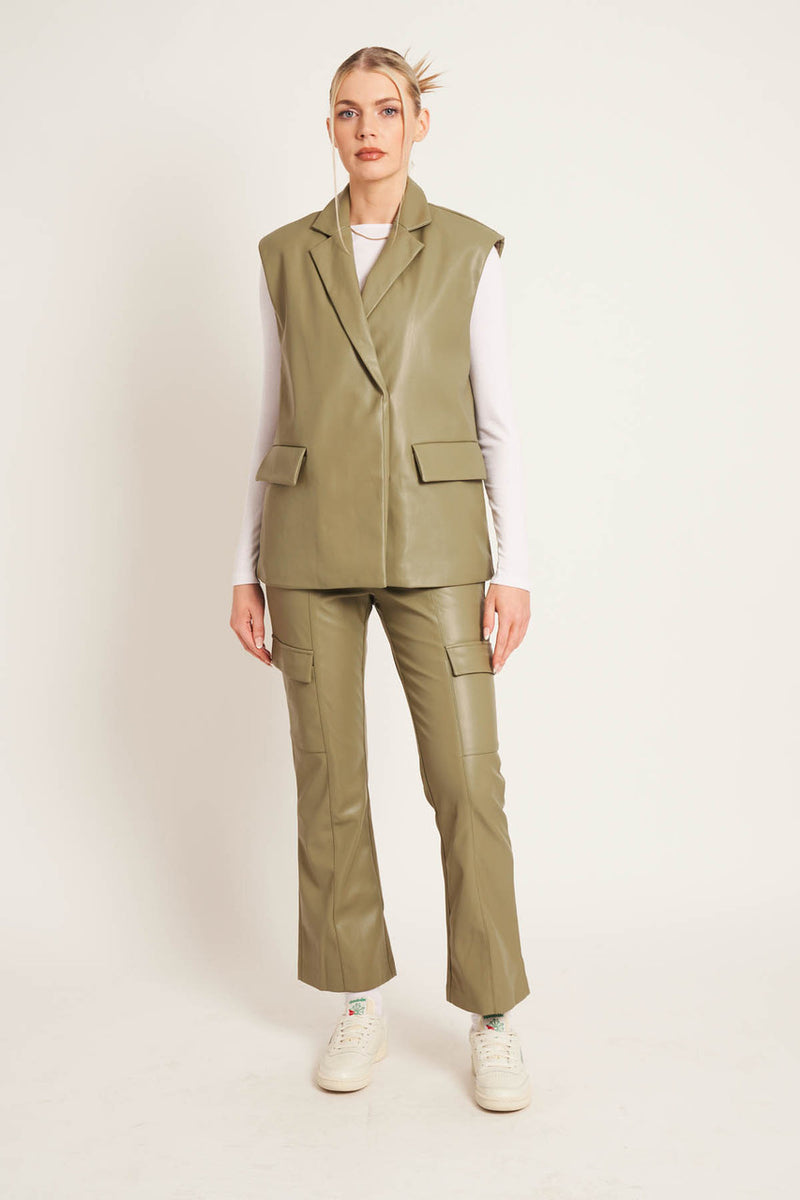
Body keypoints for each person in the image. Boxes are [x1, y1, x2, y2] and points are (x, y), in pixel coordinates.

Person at [230, 46, 533, 1112]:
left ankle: (492, 1018)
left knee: (466, 780)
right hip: (306, 545)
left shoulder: (466, 248)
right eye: (349, 112)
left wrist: (513, 568)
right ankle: (357, 1002)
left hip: (437, 545)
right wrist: (241, 566)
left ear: (417, 125)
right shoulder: (285, 254)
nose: (368, 129)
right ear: (329, 127)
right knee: (330, 781)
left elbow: (497, 420)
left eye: (387, 110)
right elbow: (269, 410)